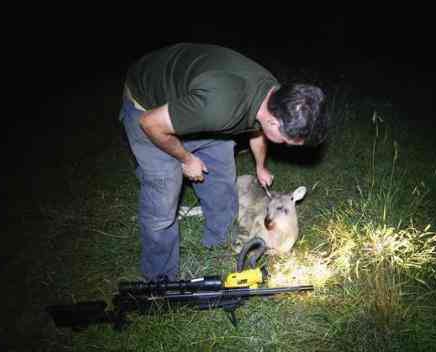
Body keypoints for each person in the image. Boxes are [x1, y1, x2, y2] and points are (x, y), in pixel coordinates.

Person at [119, 43, 328, 281]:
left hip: (198, 102)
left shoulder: (272, 96)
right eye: (287, 141)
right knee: (162, 195)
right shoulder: (219, 106)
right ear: (274, 122)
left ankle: (219, 241)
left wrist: (260, 165)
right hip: (149, 103)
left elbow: (255, 127)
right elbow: (150, 123)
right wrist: (186, 159)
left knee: (222, 175)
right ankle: (159, 281)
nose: (287, 146)